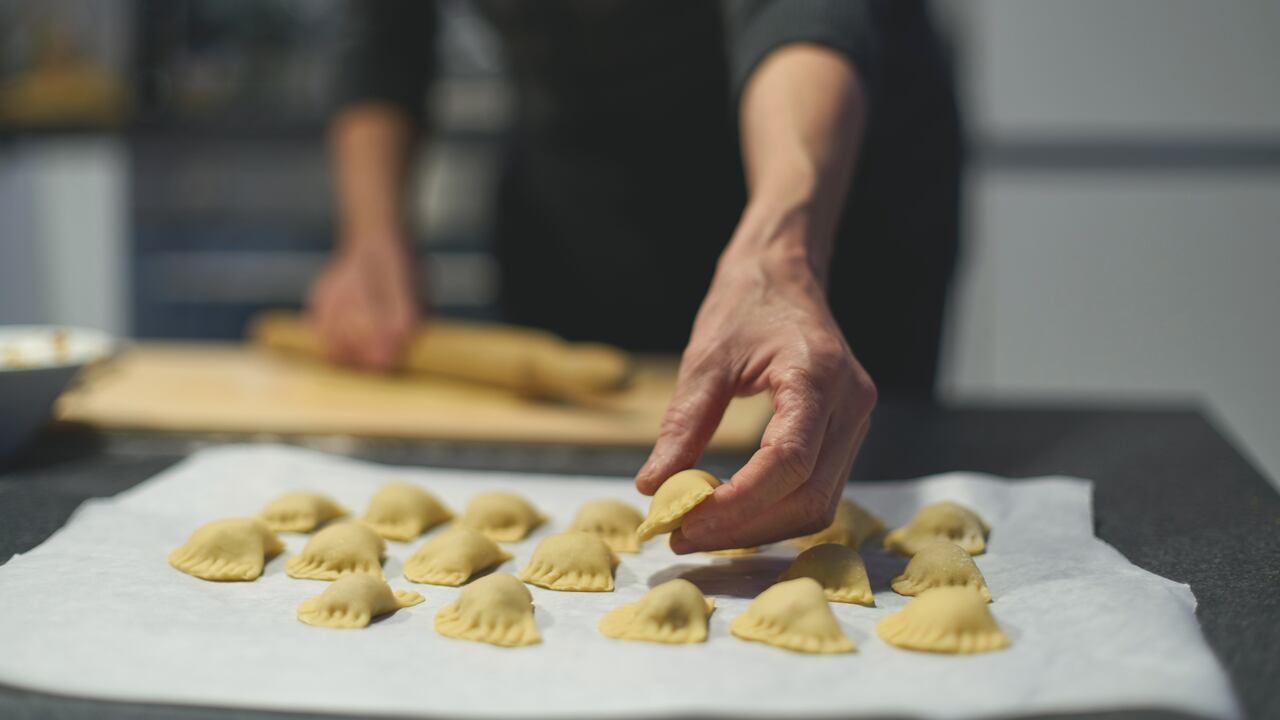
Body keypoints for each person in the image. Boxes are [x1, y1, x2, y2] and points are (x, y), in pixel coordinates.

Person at [309, 1, 961, 553]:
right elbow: (382, 27)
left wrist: (783, 250)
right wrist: (371, 233)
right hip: (577, 197)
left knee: (838, 498)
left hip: (821, 173)